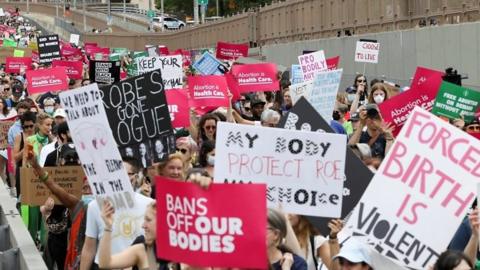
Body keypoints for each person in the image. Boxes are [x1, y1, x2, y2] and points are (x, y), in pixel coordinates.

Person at [80, 159, 154, 270]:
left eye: (125, 174)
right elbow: (89, 248)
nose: (118, 177)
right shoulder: (95, 206)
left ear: (134, 177)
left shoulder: (149, 204)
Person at [12, 111, 36, 197]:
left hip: (36, 170)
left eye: (31, 126)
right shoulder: (19, 137)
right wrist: (26, 147)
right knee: (22, 197)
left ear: (35, 125)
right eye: (26, 127)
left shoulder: (39, 136)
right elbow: (15, 158)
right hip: (22, 170)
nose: (29, 129)